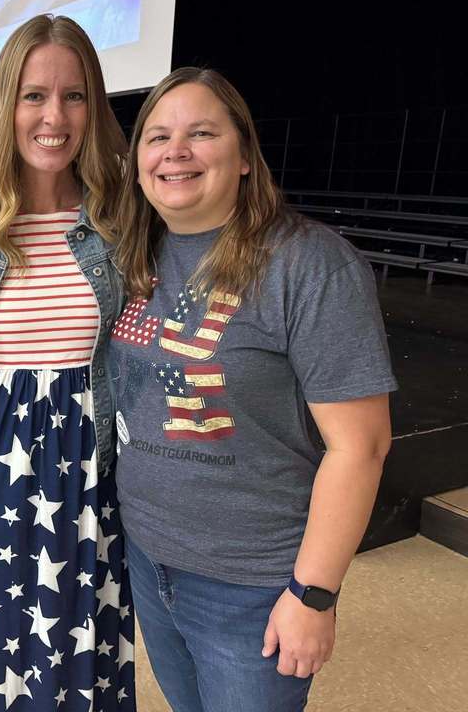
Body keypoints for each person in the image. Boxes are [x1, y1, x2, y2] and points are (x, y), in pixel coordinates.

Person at [109, 67, 397, 711]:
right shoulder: (139, 258)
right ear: (136, 164)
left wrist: (313, 595)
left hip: (252, 583)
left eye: (201, 133)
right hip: (151, 559)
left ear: (243, 156)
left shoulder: (308, 263)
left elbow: (362, 447)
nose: (175, 151)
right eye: (157, 137)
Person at [0, 14, 136, 710]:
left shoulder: (121, 218)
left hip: (86, 467)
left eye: (74, 96)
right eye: (33, 95)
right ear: (4, 106)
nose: (54, 116)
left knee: (82, 652)